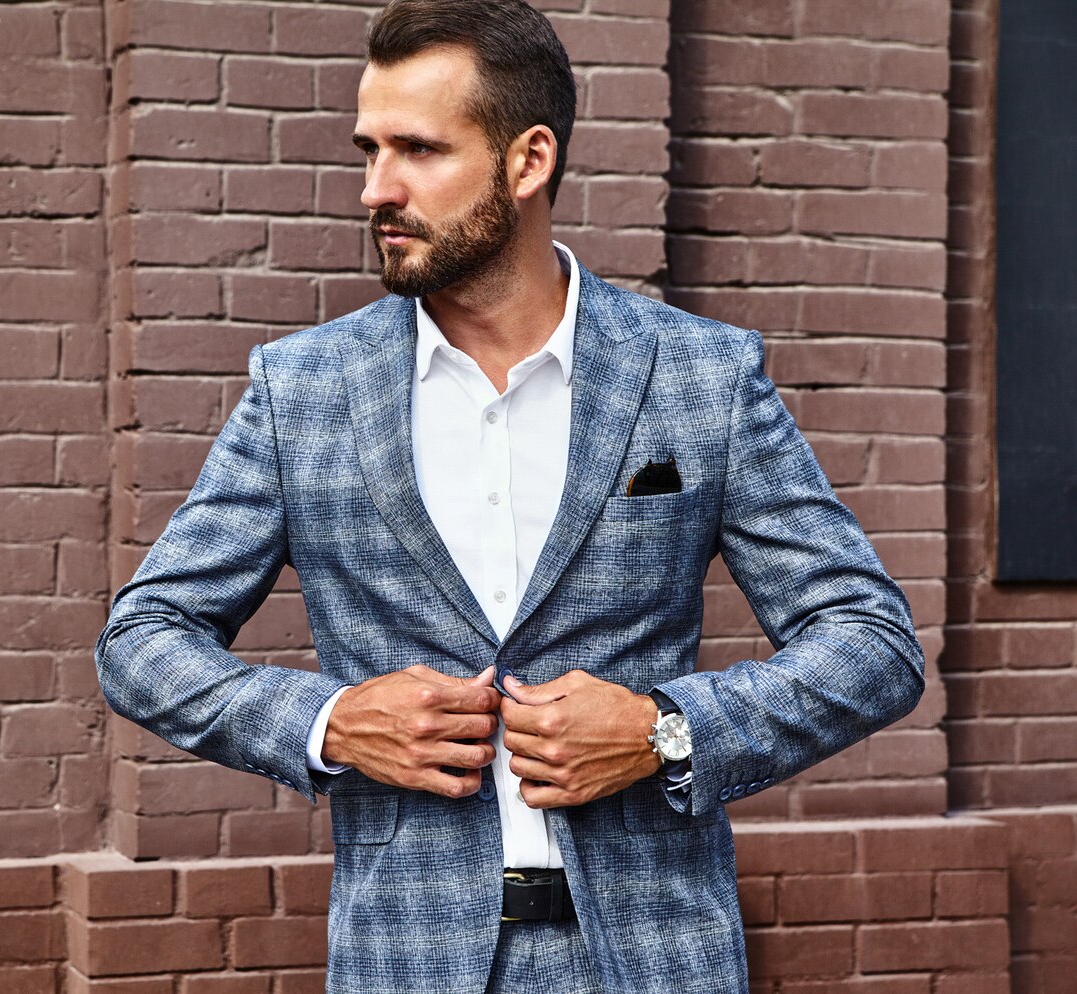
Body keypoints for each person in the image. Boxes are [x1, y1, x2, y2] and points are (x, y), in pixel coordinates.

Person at [95, 1, 925, 991]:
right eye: (368, 149)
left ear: (527, 163)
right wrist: (329, 721)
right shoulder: (305, 391)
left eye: (418, 150)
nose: (375, 189)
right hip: (411, 956)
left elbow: (871, 640)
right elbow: (141, 640)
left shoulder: (698, 376)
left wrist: (665, 729)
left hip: (652, 955)